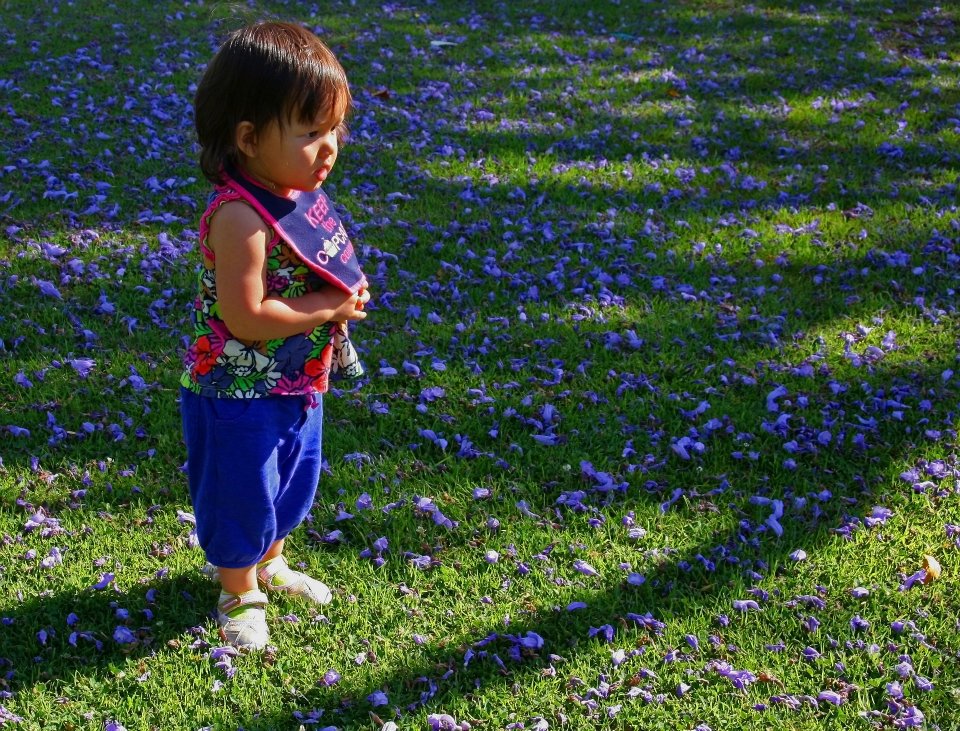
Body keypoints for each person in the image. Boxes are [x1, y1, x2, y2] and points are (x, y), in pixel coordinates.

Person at [180, 20, 371, 651]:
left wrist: (344, 294)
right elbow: (247, 318)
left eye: (335, 128)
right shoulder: (240, 216)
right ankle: (238, 587)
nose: (331, 147)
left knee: (293, 476)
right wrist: (327, 306)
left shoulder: (292, 196)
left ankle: (272, 560)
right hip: (236, 388)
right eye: (311, 131)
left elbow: (325, 268)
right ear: (249, 138)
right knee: (242, 485)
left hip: (295, 379)